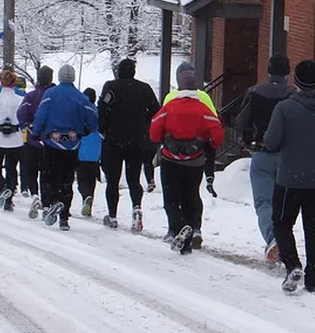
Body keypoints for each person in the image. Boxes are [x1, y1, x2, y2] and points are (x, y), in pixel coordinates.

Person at [264, 59, 315, 294]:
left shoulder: (285, 109)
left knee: (282, 222)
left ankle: (292, 265)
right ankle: (313, 278)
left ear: (295, 81)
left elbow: (271, 142)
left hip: (289, 177)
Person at [149, 60, 223, 255]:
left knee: (171, 199)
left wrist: (164, 140)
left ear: (178, 82)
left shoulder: (169, 105)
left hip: (170, 159)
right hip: (195, 161)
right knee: (191, 196)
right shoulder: (203, 106)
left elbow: (154, 131)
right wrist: (205, 143)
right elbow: (217, 134)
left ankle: (178, 227)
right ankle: (189, 236)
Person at [235, 54, 294, 262]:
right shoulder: (293, 95)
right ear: (288, 72)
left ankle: (273, 239)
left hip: (261, 153)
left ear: (268, 71)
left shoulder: (254, 92)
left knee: (264, 202)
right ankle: (285, 238)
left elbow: (241, 121)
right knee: (286, 204)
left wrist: (249, 137)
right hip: (288, 155)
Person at [97, 57, 160, 232]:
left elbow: (102, 110)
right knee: (134, 179)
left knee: (113, 180)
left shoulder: (111, 87)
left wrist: (103, 129)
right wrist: (143, 123)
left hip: (114, 139)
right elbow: (156, 110)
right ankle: (137, 207)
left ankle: (113, 215)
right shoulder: (144, 89)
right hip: (137, 139)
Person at [31, 64, 96, 229]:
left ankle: (51, 202)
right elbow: (93, 119)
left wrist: (36, 131)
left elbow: (41, 115)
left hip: (52, 142)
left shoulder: (50, 94)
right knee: (67, 179)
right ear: (73, 78)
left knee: (49, 175)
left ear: (59, 77)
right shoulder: (81, 98)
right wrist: (87, 129)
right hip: (72, 144)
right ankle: (64, 216)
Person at [16, 65, 55, 211]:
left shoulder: (31, 96)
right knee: (46, 172)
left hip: (32, 139)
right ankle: (47, 202)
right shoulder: (54, 95)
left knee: (31, 170)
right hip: (51, 141)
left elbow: (21, 114)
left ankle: (34, 195)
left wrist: (26, 126)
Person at [0, 69, 25, 211]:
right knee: (11, 168)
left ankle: (1, 187)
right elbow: (22, 119)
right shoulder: (20, 100)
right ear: (14, 82)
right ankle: (9, 200)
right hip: (15, 139)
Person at [76, 88, 102, 216]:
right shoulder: (98, 113)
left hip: (81, 151)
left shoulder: (81, 112)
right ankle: (89, 198)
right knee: (91, 179)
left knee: (82, 180)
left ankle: (85, 196)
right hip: (96, 152)